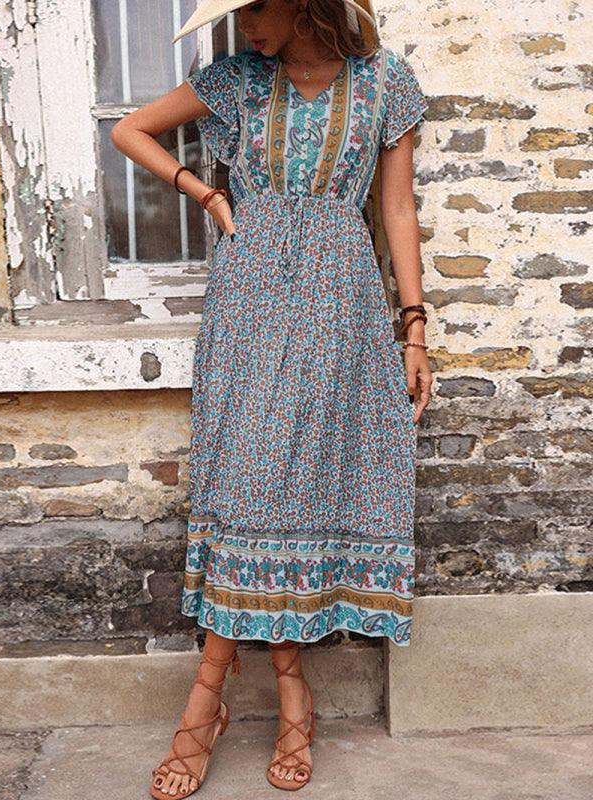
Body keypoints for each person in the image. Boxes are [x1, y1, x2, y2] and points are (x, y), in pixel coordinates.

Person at [110, 0, 432, 796]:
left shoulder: (384, 83)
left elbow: (395, 208)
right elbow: (131, 130)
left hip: (339, 301)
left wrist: (415, 329)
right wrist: (204, 193)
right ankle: (245, 697)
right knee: (247, 486)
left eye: (258, 6)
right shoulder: (236, 81)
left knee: (292, 491)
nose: (246, 23)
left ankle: (240, 702)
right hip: (250, 297)